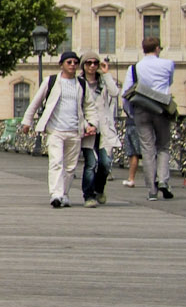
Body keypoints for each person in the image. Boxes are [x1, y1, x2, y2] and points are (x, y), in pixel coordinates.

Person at [20, 51, 97, 208]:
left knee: (70, 166)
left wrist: (92, 124)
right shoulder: (51, 81)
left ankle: (65, 194)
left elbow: (89, 106)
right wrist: (27, 121)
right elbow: (36, 102)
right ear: (61, 64)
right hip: (55, 130)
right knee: (56, 162)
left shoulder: (81, 84)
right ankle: (56, 194)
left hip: (75, 130)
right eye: (69, 62)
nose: (72, 65)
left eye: (75, 62)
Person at [121, 36, 177, 202]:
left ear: (143, 49)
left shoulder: (135, 68)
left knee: (147, 149)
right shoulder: (168, 64)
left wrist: (131, 112)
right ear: (158, 48)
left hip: (141, 109)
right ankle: (163, 181)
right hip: (161, 109)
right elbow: (169, 82)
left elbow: (126, 93)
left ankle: (151, 190)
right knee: (163, 146)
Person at [81, 57, 122, 207]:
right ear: (83, 65)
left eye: (95, 63)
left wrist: (106, 74)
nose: (92, 66)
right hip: (89, 127)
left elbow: (115, 92)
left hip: (104, 127)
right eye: (88, 63)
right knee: (91, 163)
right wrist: (85, 124)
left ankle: (99, 188)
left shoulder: (103, 81)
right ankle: (89, 195)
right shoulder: (79, 82)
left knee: (105, 163)